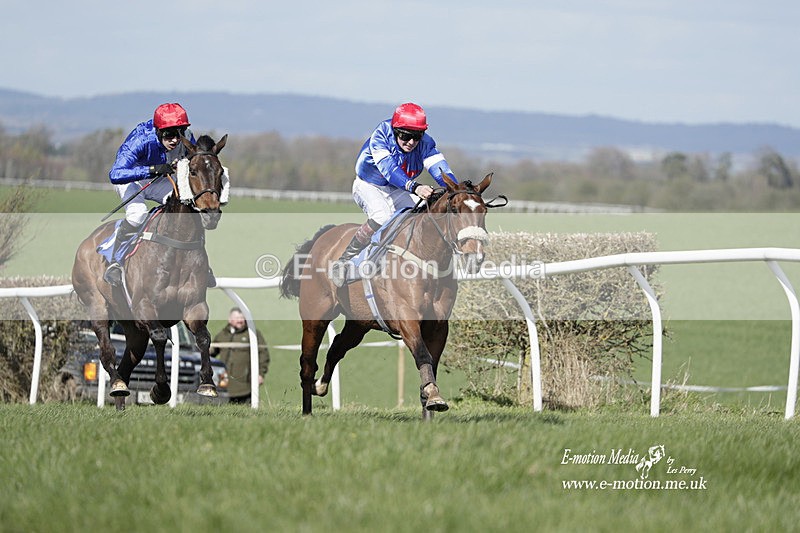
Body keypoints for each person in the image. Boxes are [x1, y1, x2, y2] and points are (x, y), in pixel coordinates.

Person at [330, 102, 459, 287]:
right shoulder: (381, 134)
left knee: (417, 216)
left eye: (417, 137)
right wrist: (415, 187)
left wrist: (455, 188)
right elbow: (389, 170)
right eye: (406, 136)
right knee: (382, 216)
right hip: (369, 185)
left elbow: (440, 169)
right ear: (395, 129)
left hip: (397, 189)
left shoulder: (426, 144)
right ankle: (343, 261)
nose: (412, 142)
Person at [102, 102, 197, 287]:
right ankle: (114, 260)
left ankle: (195, 258)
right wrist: (152, 170)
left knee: (187, 206)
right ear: (158, 131)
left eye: (179, 133)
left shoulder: (186, 138)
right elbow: (115, 174)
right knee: (137, 216)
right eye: (169, 135)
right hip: (132, 180)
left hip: (160, 177)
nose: (175, 140)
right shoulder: (141, 140)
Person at [211, 307, 270, 405]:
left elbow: (263, 354)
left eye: (242, 318)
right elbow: (212, 351)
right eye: (236, 318)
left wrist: (260, 374)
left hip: (245, 385)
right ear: (229, 319)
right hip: (225, 384)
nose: (240, 320)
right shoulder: (223, 334)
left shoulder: (252, 334)